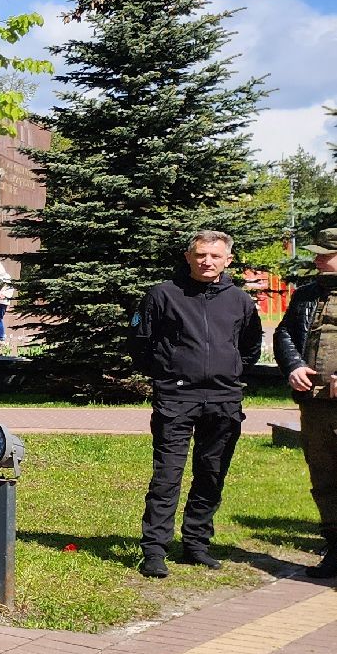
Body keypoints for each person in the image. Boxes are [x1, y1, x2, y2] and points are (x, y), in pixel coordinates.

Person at [134, 229, 263, 578]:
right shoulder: (163, 295)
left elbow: (250, 347)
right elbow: (140, 342)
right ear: (188, 257)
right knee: (167, 476)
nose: (207, 261)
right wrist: (167, 374)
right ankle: (155, 550)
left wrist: (229, 372)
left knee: (211, 474)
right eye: (201, 255)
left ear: (228, 260)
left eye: (215, 256)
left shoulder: (240, 301)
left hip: (223, 399)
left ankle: (196, 544)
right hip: (176, 398)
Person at [273, 227, 337, 579]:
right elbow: (284, 333)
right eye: (316, 254)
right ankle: (334, 546)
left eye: (325, 255)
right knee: (323, 474)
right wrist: (294, 365)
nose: (317, 260)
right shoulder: (307, 294)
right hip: (315, 406)